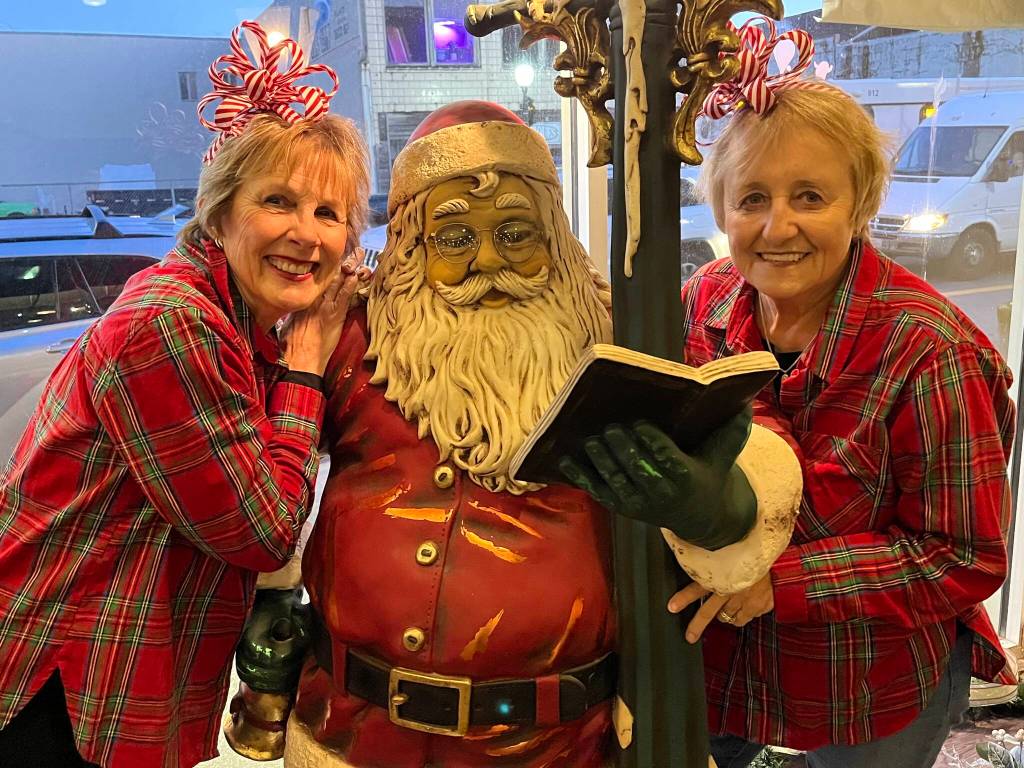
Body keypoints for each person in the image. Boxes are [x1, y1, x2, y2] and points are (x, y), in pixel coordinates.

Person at [223, 100, 802, 768]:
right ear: (413, 246)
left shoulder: (619, 339)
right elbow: (266, 474)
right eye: (456, 238)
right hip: (352, 733)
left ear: (553, 237)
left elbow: (746, 443)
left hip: (551, 746)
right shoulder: (352, 339)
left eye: (517, 234)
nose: (490, 260)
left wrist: (710, 505)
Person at [0, 21, 369, 768]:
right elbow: (262, 531)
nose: (305, 234)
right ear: (223, 208)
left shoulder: (240, 322)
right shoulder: (173, 322)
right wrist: (306, 360)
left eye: (328, 213)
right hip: (69, 680)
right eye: (278, 201)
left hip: (134, 672)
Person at [666, 18, 1016, 768]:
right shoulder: (706, 301)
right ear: (722, 209)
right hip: (727, 662)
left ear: (859, 206)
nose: (777, 226)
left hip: (868, 680)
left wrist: (778, 583)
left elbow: (963, 554)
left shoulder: (932, 352)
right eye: (751, 198)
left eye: (811, 196)